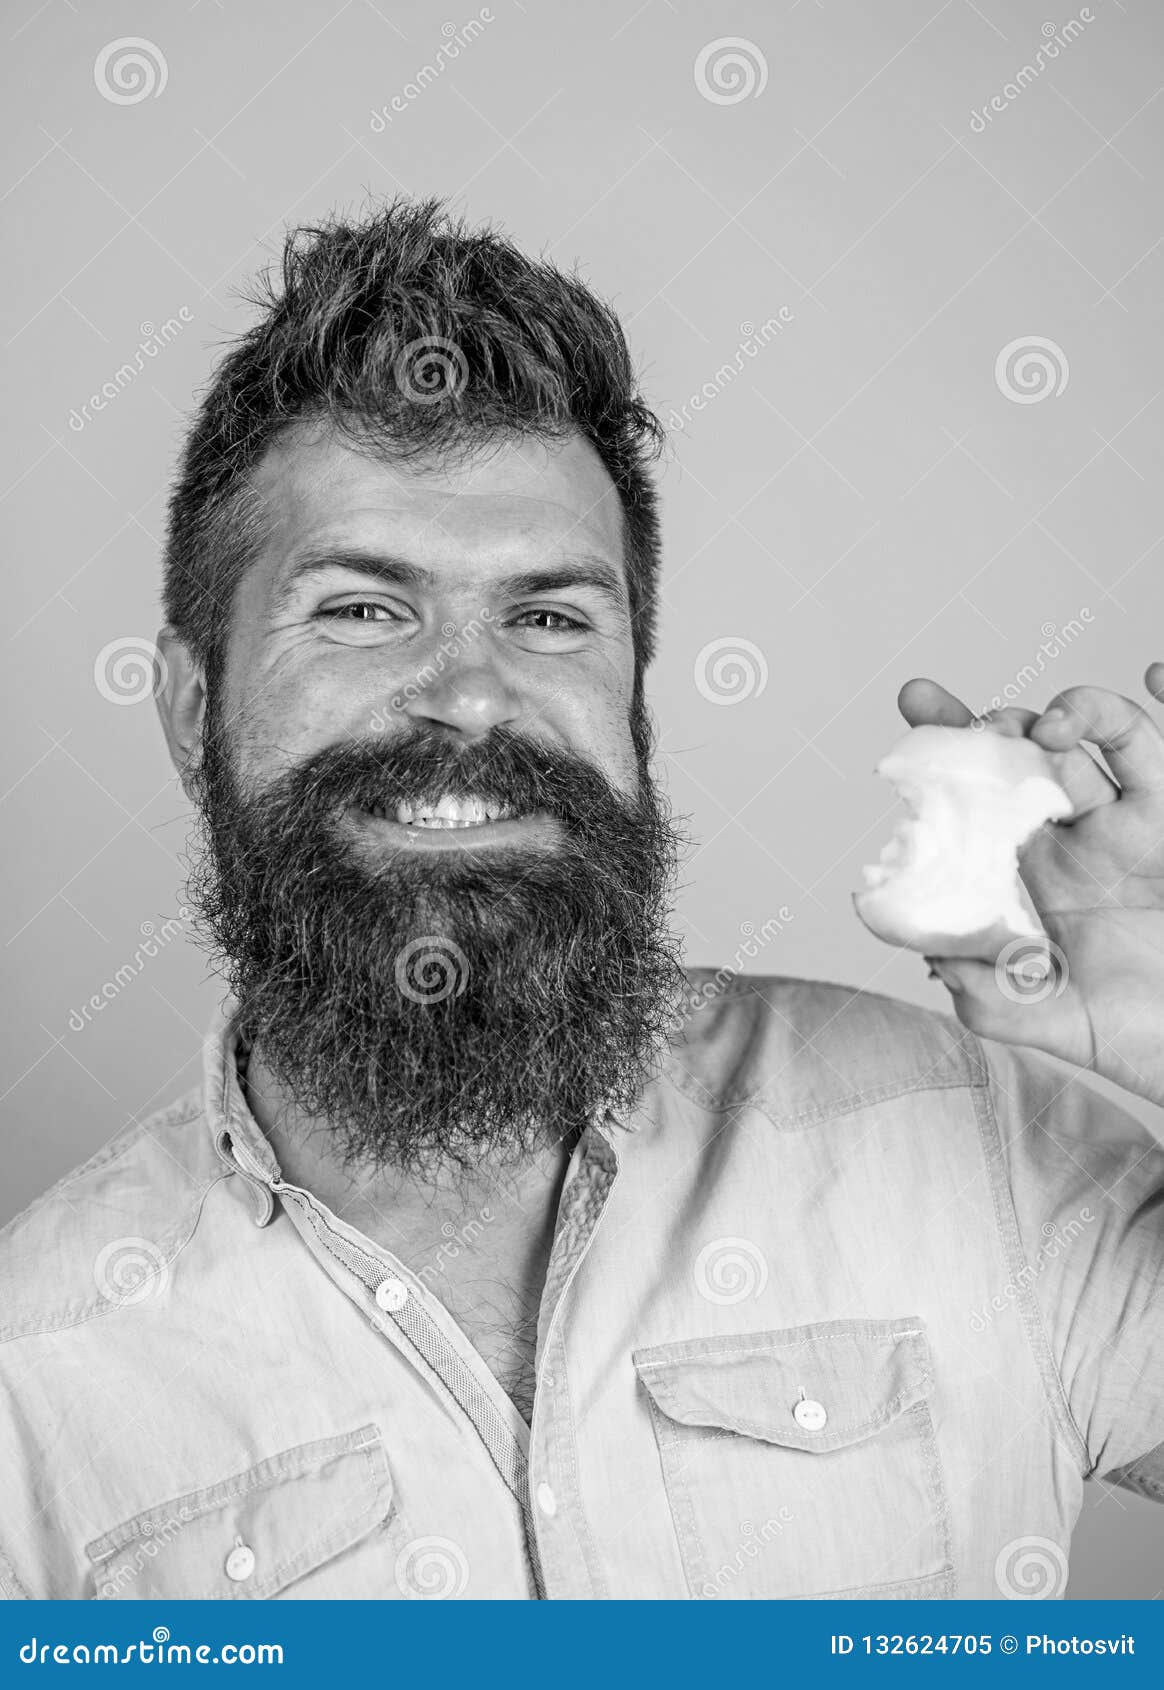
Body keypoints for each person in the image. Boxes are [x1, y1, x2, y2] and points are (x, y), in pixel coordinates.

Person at [1, 197, 1162, 1603]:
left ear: (634, 693)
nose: (472, 693)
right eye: (364, 609)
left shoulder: (986, 1150)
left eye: (550, 616)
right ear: (193, 708)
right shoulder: (30, 1389)